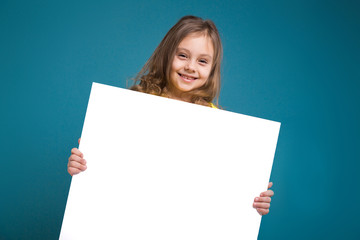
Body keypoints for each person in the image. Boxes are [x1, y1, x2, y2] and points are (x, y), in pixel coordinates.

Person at [67, 15, 274, 216]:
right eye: (182, 55)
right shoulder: (132, 107)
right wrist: (83, 164)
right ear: (167, 55)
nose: (190, 67)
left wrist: (253, 196)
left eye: (202, 61)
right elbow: (110, 173)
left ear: (212, 70)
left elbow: (221, 186)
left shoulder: (217, 123)